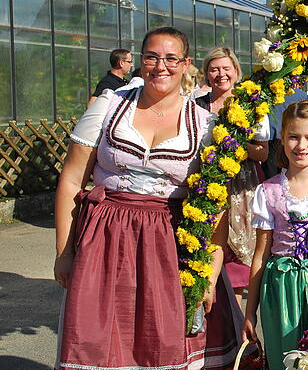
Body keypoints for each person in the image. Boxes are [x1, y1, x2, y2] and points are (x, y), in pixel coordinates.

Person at [54, 27, 242, 369]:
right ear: (141, 61)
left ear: (186, 65)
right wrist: (64, 252)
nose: (161, 67)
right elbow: (71, 179)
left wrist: (210, 275)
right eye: (152, 57)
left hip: (171, 244)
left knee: (164, 338)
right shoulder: (109, 107)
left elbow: (217, 207)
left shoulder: (205, 124)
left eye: (171, 58)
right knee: (101, 338)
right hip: (105, 240)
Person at [242, 100, 308, 369]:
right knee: (285, 359)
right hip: (279, 290)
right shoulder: (268, 191)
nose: (301, 145)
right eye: (293, 137)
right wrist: (249, 311)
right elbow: (260, 255)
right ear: (282, 138)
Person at [196, 47, 270, 306]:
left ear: (236, 72)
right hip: (205, 182)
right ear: (206, 74)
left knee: (236, 262)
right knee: (202, 252)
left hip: (240, 186)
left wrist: (235, 143)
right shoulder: (196, 106)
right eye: (214, 69)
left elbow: (263, 153)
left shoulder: (251, 106)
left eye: (226, 68)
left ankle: (237, 330)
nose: (220, 74)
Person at [263, 87, 308, 179]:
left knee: (271, 175)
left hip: (275, 139)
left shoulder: (265, 93)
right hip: (285, 140)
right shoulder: (301, 95)